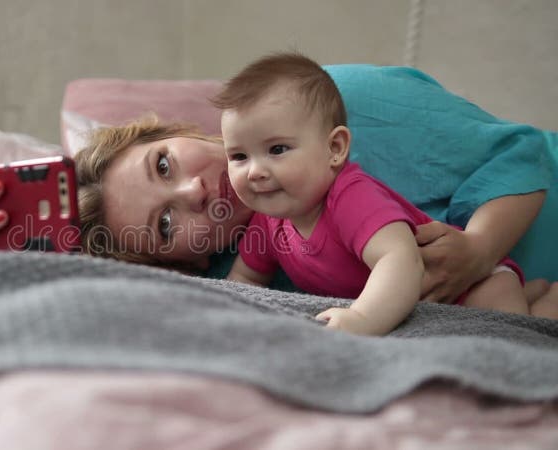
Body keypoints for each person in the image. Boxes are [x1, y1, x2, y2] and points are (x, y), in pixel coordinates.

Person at [0, 61, 557, 306]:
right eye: (167, 225)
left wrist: (476, 249)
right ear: (186, 260)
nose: (193, 193)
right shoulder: (240, 278)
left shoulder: (334, 104)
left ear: (179, 132)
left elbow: (522, 151)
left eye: (164, 164)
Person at [213, 52, 556, 335]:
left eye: (277, 149)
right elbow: (245, 279)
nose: (254, 171)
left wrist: (362, 319)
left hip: (475, 285)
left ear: (335, 148)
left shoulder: (350, 197)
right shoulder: (268, 223)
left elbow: (400, 261)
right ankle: (535, 295)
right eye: (239, 156)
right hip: (426, 308)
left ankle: (543, 304)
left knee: (513, 334)